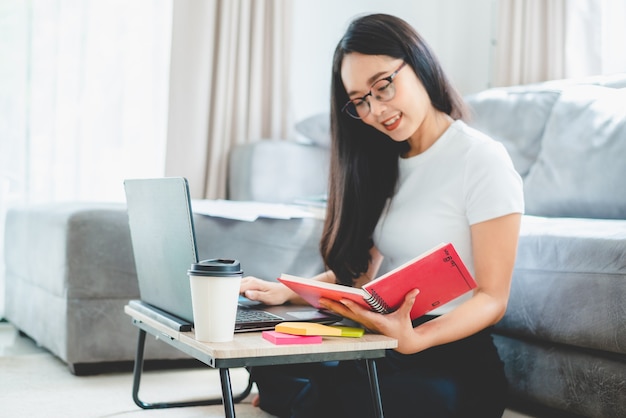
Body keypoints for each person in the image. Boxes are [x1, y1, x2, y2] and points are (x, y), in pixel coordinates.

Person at [240, 13, 524, 418]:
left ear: (418, 61)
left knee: (351, 397)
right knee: (267, 354)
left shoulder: (481, 159)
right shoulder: (383, 161)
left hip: (449, 355)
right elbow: (361, 274)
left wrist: (417, 338)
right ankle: (307, 398)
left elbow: (493, 298)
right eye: (360, 100)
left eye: (383, 86)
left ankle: (307, 401)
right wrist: (289, 291)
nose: (375, 110)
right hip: (383, 342)